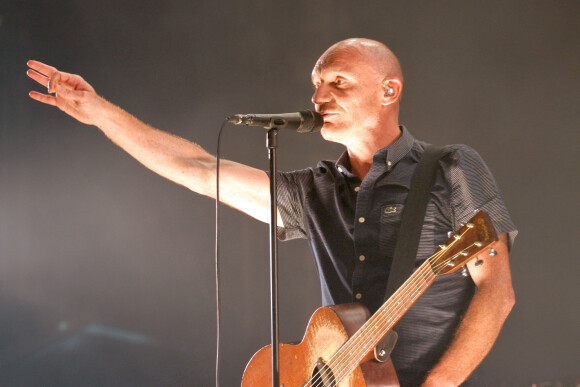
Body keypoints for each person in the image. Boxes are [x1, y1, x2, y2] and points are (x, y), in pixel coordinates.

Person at [27, 38, 516, 386]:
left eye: (338, 83)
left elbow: (497, 293)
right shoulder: (315, 190)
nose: (319, 98)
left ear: (388, 91)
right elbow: (198, 169)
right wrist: (99, 112)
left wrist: (440, 384)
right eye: (316, 85)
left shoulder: (451, 166)